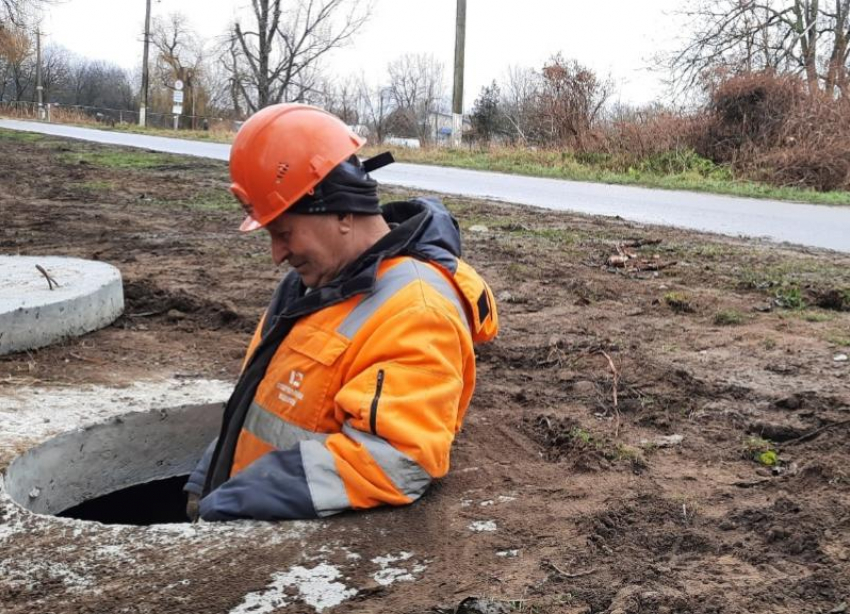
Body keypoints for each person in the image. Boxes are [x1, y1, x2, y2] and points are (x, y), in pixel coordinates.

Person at [184, 103, 498, 521]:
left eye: (284, 232)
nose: (277, 255)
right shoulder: (310, 285)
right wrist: (207, 478)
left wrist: (237, 499)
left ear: (343, 213)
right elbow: (261, 397)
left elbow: (397, 460)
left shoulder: (418, 313)